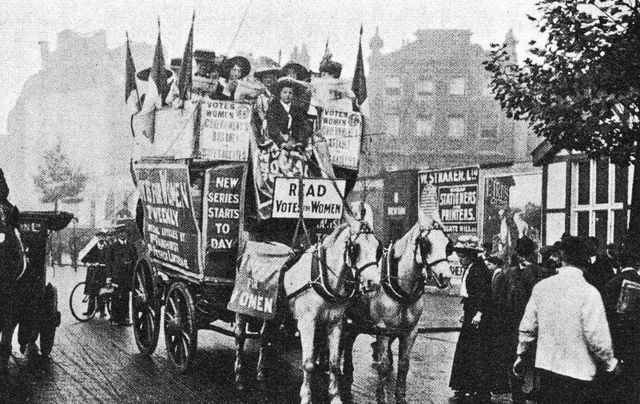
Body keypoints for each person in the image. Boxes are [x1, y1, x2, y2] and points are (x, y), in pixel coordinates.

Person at [514, 236, 620, 404]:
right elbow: (597, 337)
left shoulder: (542, 287)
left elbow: (527, 328)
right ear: (586, 261)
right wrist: (610, 363)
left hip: (547, 369)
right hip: (579, 372)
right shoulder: (589, 293)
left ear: (562, 258)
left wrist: (521, 354)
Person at [504, 236, 552, 403]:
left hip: (523, 323)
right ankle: (525, 393)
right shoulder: (541, 272)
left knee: (522, 358)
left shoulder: (512, 272)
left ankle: (523, 393)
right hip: (524, 323)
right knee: (526, 359)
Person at [449, 235, 493, 403]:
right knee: (466, 350)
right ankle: (464, 386)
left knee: (477, 351)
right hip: (470, 311)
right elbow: (469, 293)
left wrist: (479, 313)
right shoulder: (471, 268)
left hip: (478, 314)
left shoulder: (479, 270)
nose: (460, 259)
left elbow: (484, 293)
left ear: (471, 255)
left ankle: (479, 389)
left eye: (463, 255)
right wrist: (466, 312)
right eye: (459, 255)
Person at [602, 249, 640, 403]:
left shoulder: (612, 282)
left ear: (619, 263)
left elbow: (606, 313)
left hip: (618, 336)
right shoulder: (638, 280)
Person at [486, 256, 511, 395]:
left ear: (495, 264)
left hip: (497, 318)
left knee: (497, 352)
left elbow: (496, 297)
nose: (487, 266)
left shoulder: (499, 276)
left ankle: (499, 385)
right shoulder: (497, 274)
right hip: (497, 317)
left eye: (489, 264)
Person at [266, 77, 309, 150]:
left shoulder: (298, 109)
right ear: (280, 94)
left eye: (290, 93)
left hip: (294, 142)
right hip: (276, 141)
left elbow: (302, 126)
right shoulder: (273, 108)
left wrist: (300, 141)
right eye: (285, 92)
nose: (288, 95)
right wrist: (282, 143)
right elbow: (272, 127)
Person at [107, 225, 137, 325]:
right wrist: (109, 277)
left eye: (124, 232)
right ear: (117, 234)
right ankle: (114, 318)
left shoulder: (131, 246)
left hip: (127, 276)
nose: (122, 234)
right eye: (120, 232)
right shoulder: (112, 247)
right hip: (116, 276)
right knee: (115, 296)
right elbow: (109, 263)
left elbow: (135, 261)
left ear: (126, 233)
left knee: (125, 296)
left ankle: (124, 318)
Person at [82, 229, 110, 317]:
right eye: (100, 236)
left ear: (105, 238)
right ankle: (90, 311)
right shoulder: (92, 248)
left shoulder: (108, 247)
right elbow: (84, 259)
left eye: (103, 236)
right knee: (92, 292)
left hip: (103, 273)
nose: (101, 238)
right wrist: (91, 264)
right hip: (93, 272)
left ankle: (102, 311)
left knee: (102, 291)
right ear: (97, 237)